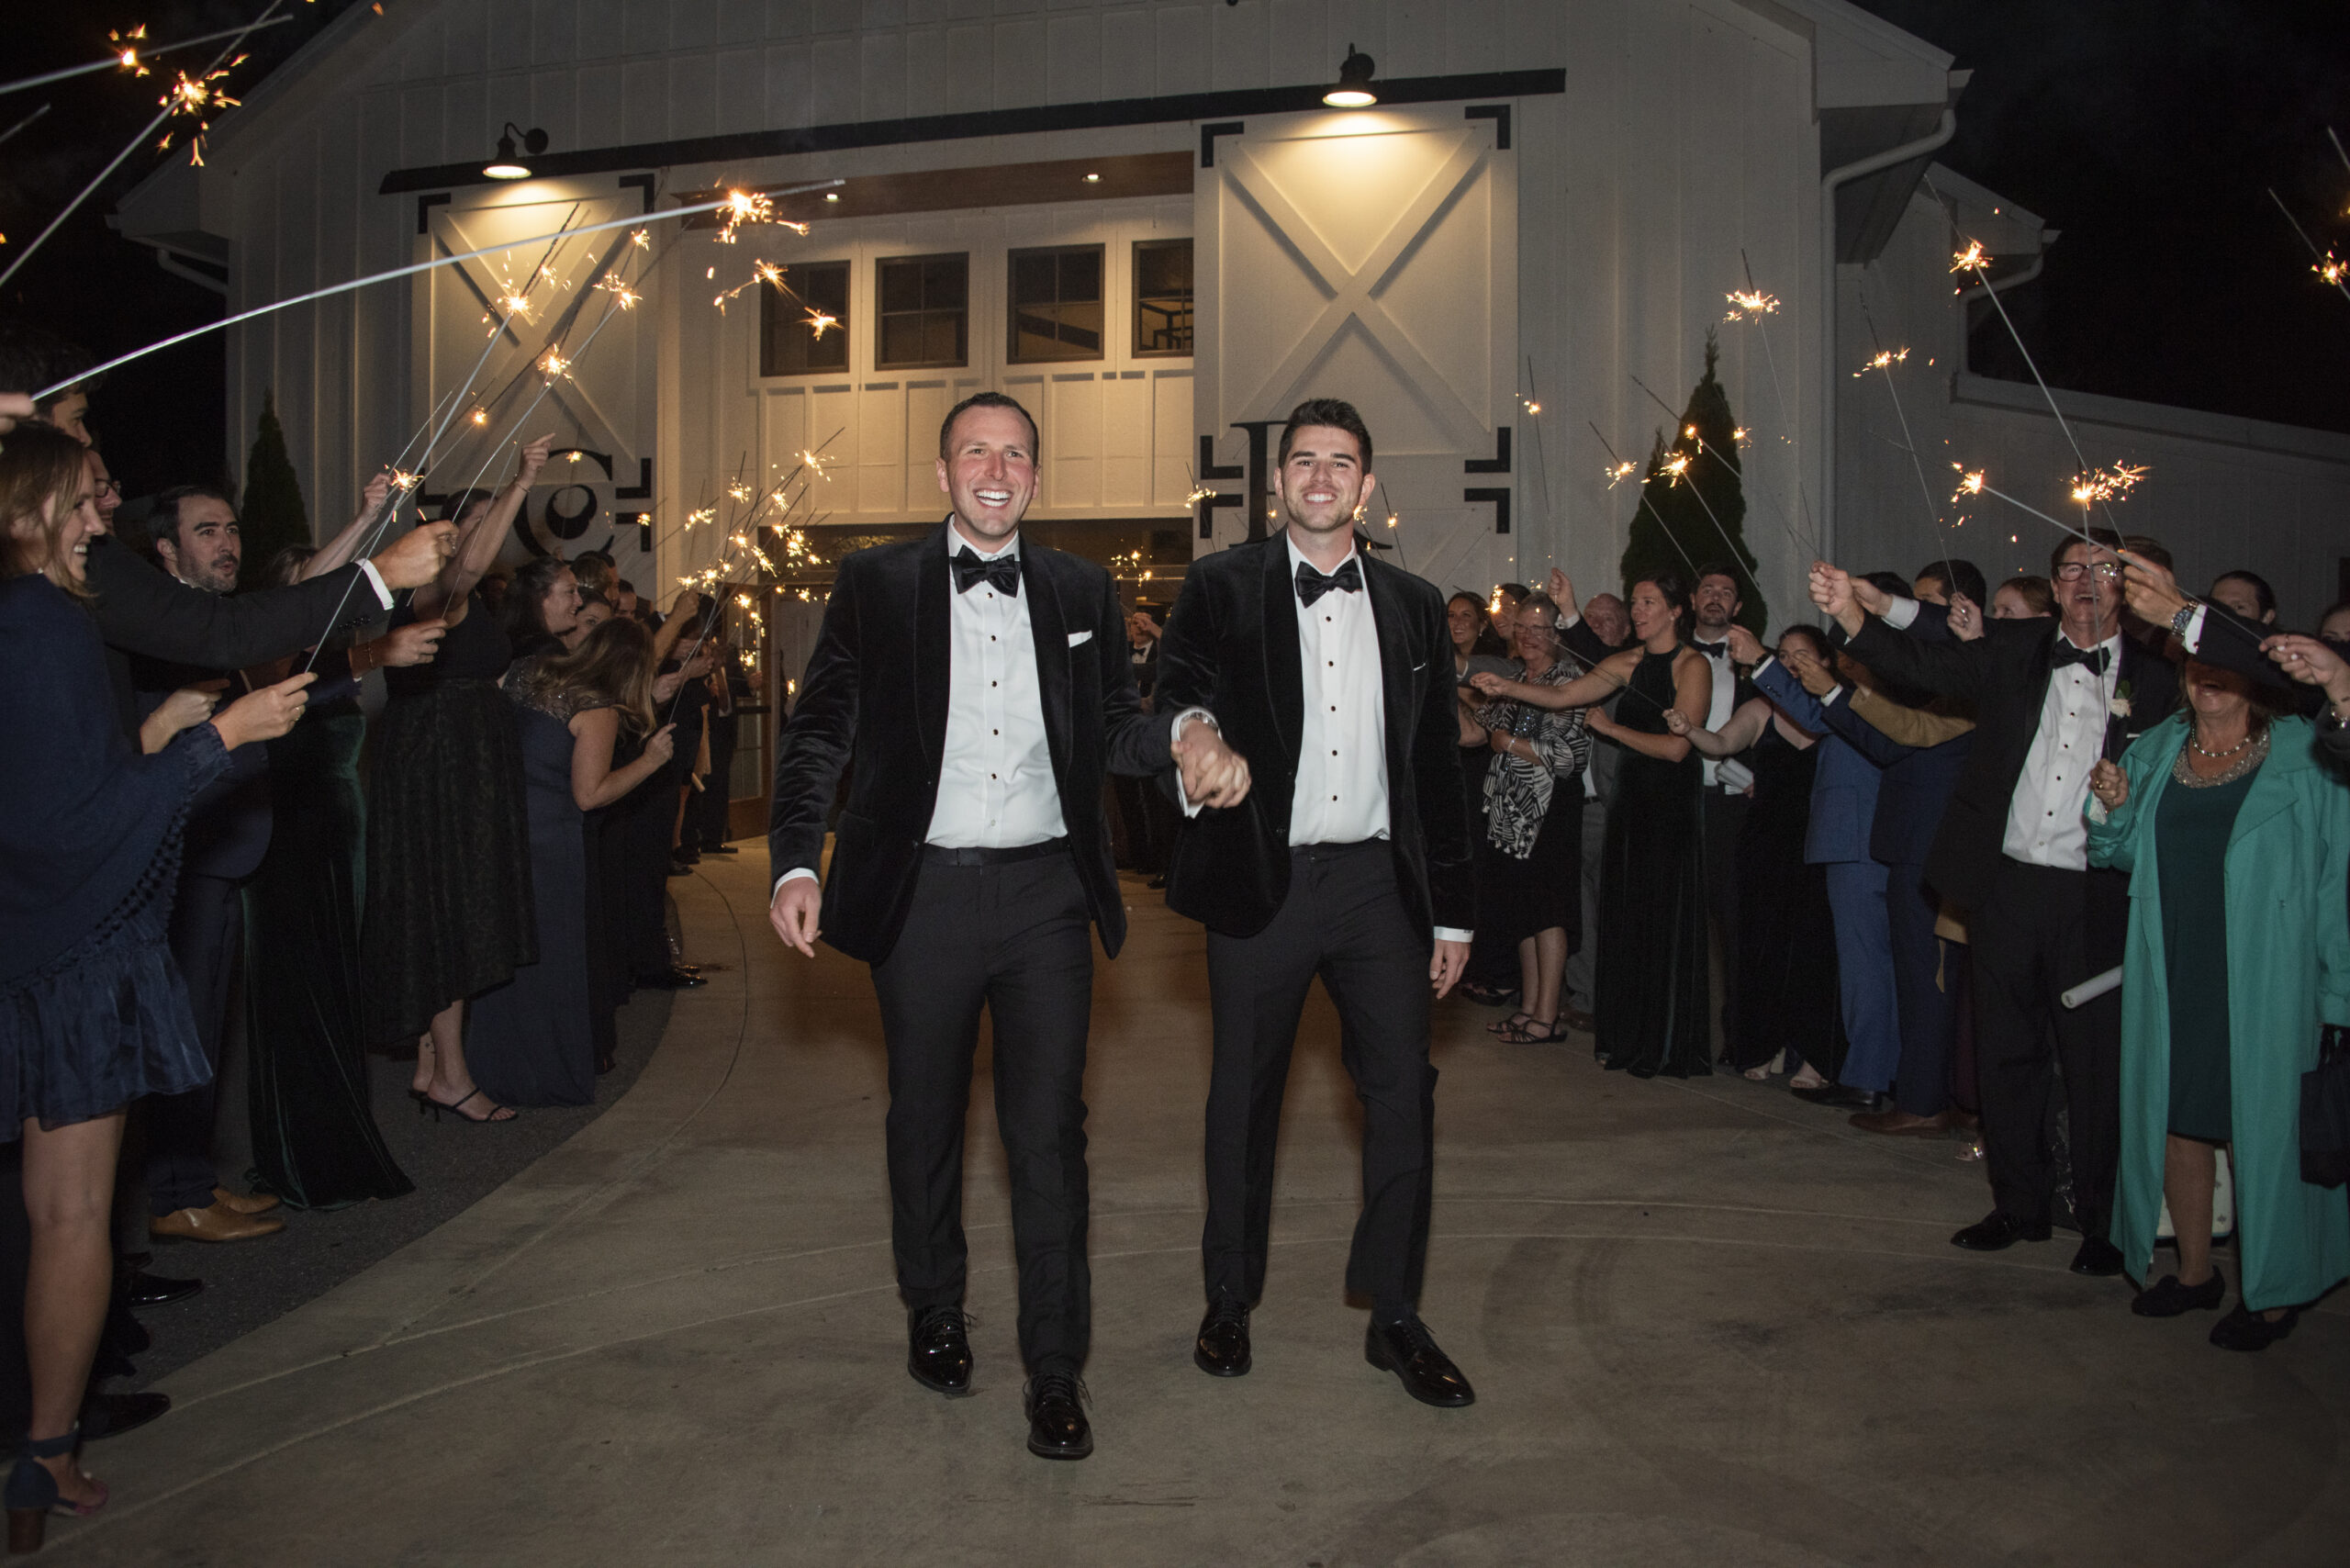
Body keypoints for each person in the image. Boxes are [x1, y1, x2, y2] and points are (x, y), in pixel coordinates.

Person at [767, 392, 1179, 1462]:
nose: (996, 469)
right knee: (926, 1118)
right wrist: (794, 859)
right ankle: (935, 1309)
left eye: (1015, 454)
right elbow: (820, 730)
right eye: (975, 452)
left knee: (1048, 1134)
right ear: (943, 472)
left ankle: (1055, 1368)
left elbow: (1117, 729)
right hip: (925, 895)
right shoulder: (875, 582)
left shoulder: (1083, 587)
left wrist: (1186, 739)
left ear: (1037, 475)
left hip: (1047, 893)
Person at [0, 421, 311, 1540]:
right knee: (72, 1213)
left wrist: (153, 726)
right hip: (72, 959)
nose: (102, 523)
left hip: (32, 944)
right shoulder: (41, 626)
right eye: (84, 503)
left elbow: (50, 784)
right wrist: (216, 738)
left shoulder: (33, 622)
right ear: (30, 509)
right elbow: (78, 832)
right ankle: (46, 1453)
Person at [1155, 398, 1474, 1408]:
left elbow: (1433, 770)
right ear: (1277, 481)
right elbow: (1172, 691)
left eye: (1342, 462)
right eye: (1304, 460)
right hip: (1263, 878)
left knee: (1402, 1094)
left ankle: (1394, 1314)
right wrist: (1196, 739)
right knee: (1241, 1098)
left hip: (1379, 886)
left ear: (1366, 484)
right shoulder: (1219, 584)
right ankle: (1227, 1298)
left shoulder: (1418, 604)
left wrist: (1454, 913)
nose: (1322, 476)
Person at [1812, 530, 2178, 1274]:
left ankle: (2103, 1222)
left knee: (2093, 1062)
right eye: (2070, 568)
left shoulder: (2165, 680)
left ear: (2127, 587)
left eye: (2101, 570)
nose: (2084, 581)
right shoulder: (2021, 651)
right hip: (2007, 883)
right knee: (2005, 1051)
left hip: (2096, 892)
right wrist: (1856, 617)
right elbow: (1926, 656)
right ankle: (2019, 1204)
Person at [2087, 661, 2348, 1351]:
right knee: (2176, 1117)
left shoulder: (2308, 753)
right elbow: (2117, 856)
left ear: (2258, 679)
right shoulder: (2154, 749)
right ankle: (2197, 1273)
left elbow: (2336, 879)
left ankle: (2272, 1288)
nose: (2211, 681)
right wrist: (2114, 808)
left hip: (2269, 972)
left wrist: (2339, 991)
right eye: (2199, 669)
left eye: (2228, 669)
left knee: (2258, 1127)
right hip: (2172, 961)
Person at [240, 531, 438, 1210]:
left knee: (336, 989)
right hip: (293, 843)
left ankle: (334, 1140)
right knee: (301, 995)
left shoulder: (327, 662)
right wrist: (373, 655)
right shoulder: (269, 665)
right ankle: (303, 1156)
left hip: (337, 840)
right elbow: (289, 687)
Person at [366, 442, 552, 1125]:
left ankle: (428, 1064)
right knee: (449, 914)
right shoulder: (431, 594)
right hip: (436, 766)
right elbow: (468, 568)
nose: (490, 531)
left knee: (451, 907)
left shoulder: (478, 608)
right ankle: (452, 1075)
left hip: (469, 763)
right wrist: (524, 479)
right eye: (481, 519)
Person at [1481, 573, 1713, 1078]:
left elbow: (1677, 748)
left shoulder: (1692, 664)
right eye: (1637, 602)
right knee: (1624, 921)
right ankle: (1629, 1039)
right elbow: (1564, 696)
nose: (1641, 609)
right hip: (1628, 802)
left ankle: (1667, 1042)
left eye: (1650, 602)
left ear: (1676, 611)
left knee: (1660, 922)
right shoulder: (1625, 662)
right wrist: (1504, 685)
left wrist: (1610, 729)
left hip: (1668, 803)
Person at [470, 621, 676, 1107]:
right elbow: (590, 795)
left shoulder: (527, 673)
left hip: (501, 832)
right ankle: (544, 1074)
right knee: (552, 959)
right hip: (550, 843)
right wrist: (650, 761)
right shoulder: (596, 708)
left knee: (505, 956)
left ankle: (490, 1065)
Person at [1787, 624, 1975, 1134]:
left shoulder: (1961, 698)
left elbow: (1900, 736)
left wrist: (1829, 688)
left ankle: (1922, 1099)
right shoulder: (1934, 698)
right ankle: (1919, 1093)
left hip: (1930, 849)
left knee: (1925, 980)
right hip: (1908, 846)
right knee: (1915, 979)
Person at [1667, 625, 1843, 1082]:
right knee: (1761, 949)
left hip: (1821, 845)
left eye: (1800, 655)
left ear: (1826, 662)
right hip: (1765, 845)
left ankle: (1813, 1053)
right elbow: (1722, 744)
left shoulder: (1840, 714)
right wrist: (1691, 731)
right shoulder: (1761, 708)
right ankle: (1765, 1044)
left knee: (1814, 951)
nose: (1789, 664)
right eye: (1781, 656)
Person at [1462, 593, 1591, 1044]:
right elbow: (1477, 730)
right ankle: (1529, 1008)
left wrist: (1509, 745)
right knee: (1522, 909)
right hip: (1509, 814)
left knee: (1549, 911)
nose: (1530, 636)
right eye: (1523, 627)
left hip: (1551, 811)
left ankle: (1547, 1015)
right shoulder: (1515, 676)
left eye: (1540, 628)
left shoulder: (1569, 680)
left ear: (1557, 635)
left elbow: (1568, 756)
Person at [1686, 565, 1757, 1063]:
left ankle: (1738, 1038)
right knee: (1679, 923)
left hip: (1732, 809)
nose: (1715, 598)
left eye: (1726, 593)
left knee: (1734, 925)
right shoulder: (1666, 654)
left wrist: (1737, 778)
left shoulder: (1757, 666)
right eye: (1708, 590)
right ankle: (1683, 1034)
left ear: (1737, 608)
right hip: (1677, 803)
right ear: (1692, 600)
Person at [1449, 590, 1521, 1007]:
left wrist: (1449, 683)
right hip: (1454, 773)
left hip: (1486, 774)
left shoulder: (1495, 668)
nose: (1457, 623)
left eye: (1466, 616)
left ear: (1481, 624)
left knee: (1483, 873)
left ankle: (1488, 965)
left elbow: (1482, 724)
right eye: (1450, 615)